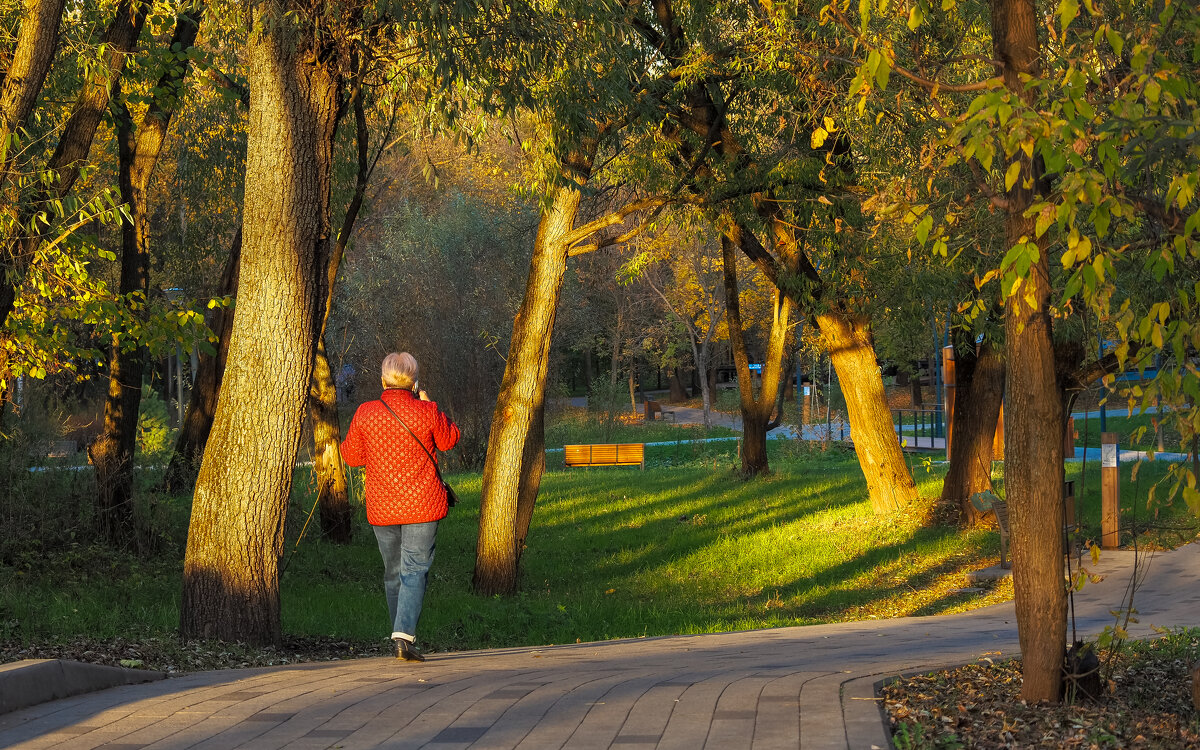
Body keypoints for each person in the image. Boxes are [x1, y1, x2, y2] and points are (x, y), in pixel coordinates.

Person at [336, 352, 459, 662]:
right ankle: (403, 636)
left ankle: (399, 638)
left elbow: (351, 457)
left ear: (383, 380)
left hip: (383, 506)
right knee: (414, 570)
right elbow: (448, 441)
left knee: (393, 573)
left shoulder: (365, 413)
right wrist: (431, 403)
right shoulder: (427, 411)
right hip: (422, 503)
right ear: (414, 382)